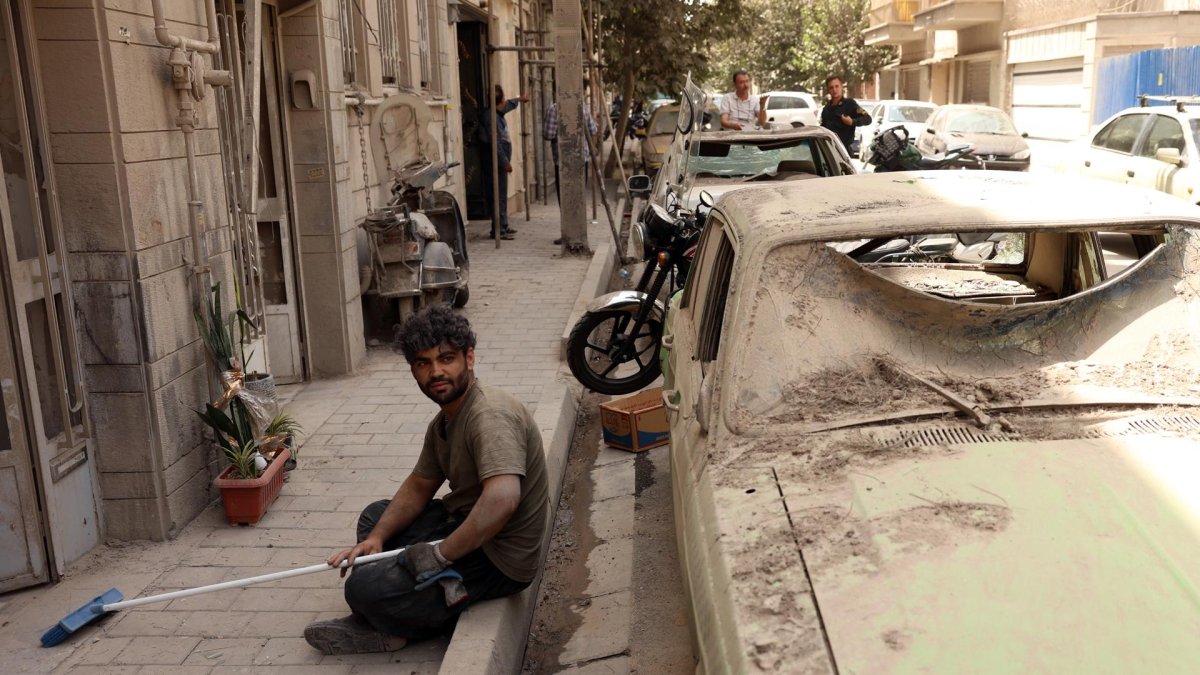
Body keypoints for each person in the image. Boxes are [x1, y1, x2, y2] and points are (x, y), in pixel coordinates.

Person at [303, 306, 550, 655]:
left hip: (500, 557)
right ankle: (422, 588)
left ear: (469, 358)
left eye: (446, 358)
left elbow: (502, 499)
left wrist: (439, 554)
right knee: (376, 518)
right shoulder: (445, 421)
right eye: (423, 363)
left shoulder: (489, 415)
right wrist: (376, 539)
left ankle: (403, 624)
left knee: (362, 589)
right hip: (466, 521)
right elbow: (420, 485)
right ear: (413, 371)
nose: (436, 371)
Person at [481, 85, 528, 239]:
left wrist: (519, 99)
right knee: (497, 196)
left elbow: (509, 105)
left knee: (501, 195)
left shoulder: (497, 112)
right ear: (499, 101)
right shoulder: (491, 118)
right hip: (495, 163)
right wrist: (504, 161)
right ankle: (498, 230)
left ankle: (503, 225)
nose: (506, 102)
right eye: (504, 99)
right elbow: (496, 143)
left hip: (500, 163)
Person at [543, 96, 599, 204]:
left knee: (565, 196)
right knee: (580, 192)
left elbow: (548, 135)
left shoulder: (554, 109)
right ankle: (579, 218)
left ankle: (567, 219)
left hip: (562, 159)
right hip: (581, 158)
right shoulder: (583, 108)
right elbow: (593, 130)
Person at [819, 75, 870, 151]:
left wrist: (852, 122)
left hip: (844, 150)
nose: (834, 90)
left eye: (837, 86)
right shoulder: (826, 109)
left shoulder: (850, 104)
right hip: (830, 151)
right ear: (828, 90)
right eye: (831, 87)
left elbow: (868, 118)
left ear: (841, 87)